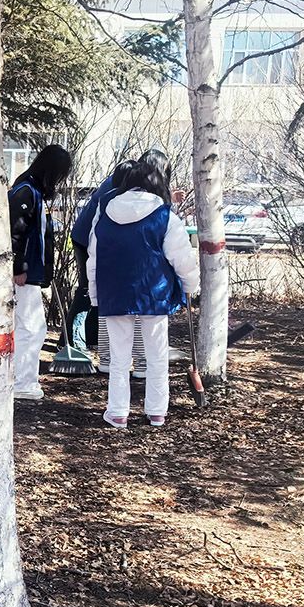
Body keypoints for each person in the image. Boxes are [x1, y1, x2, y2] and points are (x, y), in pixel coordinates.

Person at [89, 160, 200, 428]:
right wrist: (190, 286)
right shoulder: (164, 216)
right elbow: (182, 258)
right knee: (156, 354)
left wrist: (95, 295)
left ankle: (118, 412)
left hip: (114, 291)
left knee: (119, 356)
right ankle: (157, 411)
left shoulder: (104, 212)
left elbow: (93, 258)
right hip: (154, 292)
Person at [9, 144, 72, 401]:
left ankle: (21, 378)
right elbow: (15, 232)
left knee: (29, 326)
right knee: (31, 327)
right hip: (25, 274)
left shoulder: (32, 192)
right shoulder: (26, 192)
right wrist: (19, 267)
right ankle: (22, 381)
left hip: (32, 272)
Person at [70, 159, 135, 351]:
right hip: (86, 240)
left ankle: (91, 337)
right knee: (87, 289)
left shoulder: (118, 186)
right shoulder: (111, 195)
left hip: (95, 241)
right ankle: (73, 341)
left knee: (97, 290)